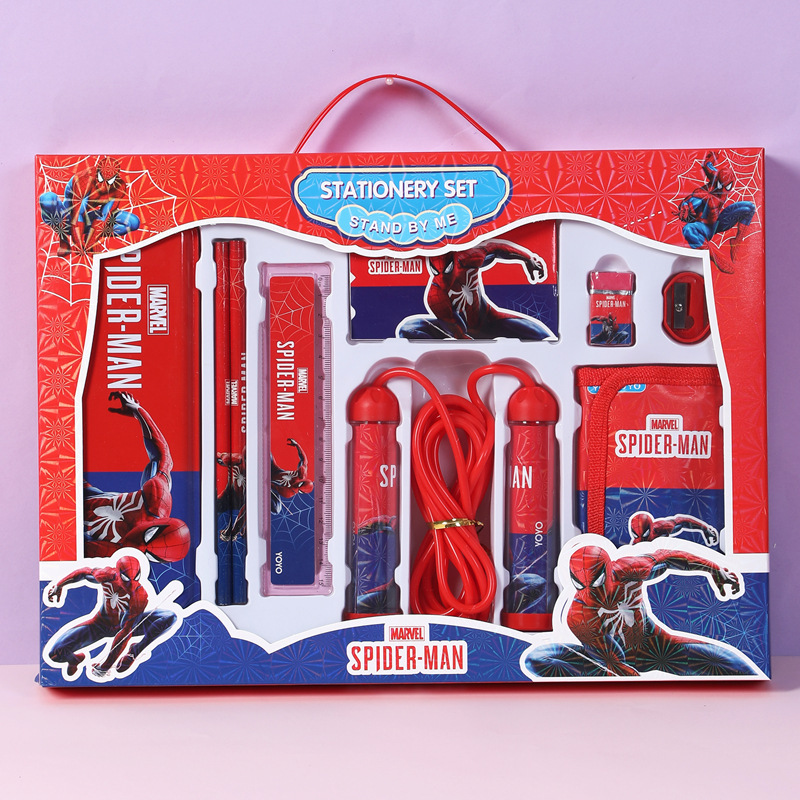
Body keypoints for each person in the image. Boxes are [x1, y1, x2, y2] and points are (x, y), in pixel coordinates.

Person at [525, 544, 755, 677]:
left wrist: (714, 569)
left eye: (596, 583)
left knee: (734, 665)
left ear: (608, 570)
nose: (589, 593)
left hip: (659, 646)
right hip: (615, 660)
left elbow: (669, 557)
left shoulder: (627, 569)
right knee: (538, 658)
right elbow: (614, 663)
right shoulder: (578, 616)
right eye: (580, 585)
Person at [84, 391, 190, 563]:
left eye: (150, 555)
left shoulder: (121, 556)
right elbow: (163, 458)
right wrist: (138, 411)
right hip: (83, 493)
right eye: (148, 537)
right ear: (159, 524)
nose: (140, 547)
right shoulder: (155, 502)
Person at [46, 555, 178, 679]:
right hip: (99, 625)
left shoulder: (139, 595)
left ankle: (135, 651)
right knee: (55, 654)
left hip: (126, 626)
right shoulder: (108, 575)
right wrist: (59, 585)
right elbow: (83, 573)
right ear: (118, 573)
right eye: (126, 579)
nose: (131, 585)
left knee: (169, 617)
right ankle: (75, 660)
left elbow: (126, 632)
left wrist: (105, 665)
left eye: (135, 578)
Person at [397, 240, 555, 340]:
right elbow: (459, 335)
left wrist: (528, 259)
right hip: (460, 329)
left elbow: (496, 249)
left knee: (543, 336)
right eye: (435, 272)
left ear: (455, 263)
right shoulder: (436, 296)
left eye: (447, 270)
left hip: (489, 319)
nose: (443, 278)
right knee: (407, 329)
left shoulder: (468, 259)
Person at [39, 156, 140, 256]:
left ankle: (88, 235)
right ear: (97, 172)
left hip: (90, 218)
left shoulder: (119, 187)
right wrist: (77, 243)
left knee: (133, 222)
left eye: (109, 181)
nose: (103, 186)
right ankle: (63, 239)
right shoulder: (84, 179)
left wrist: (91, 241)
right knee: (47, 199)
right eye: (101, 179)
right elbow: (77, 213)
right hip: (68, 216)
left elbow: (104, 216)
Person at [629, 510, 718, 547]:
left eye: (645, 534)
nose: (641, 539)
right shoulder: (635, 545)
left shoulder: (662, 527)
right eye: (636, 535)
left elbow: (682, 521)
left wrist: (705, 529)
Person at [270, 438, 313, 513]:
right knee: (267, 452)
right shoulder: (301, 474)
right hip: (275, 470)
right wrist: (297, 445)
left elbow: (271, 486)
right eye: (301, 483)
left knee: (276, 509)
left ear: (300, 492)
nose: (297, 484)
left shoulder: (288, 492)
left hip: (272, 484)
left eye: (299, 486)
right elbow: (303, 460)